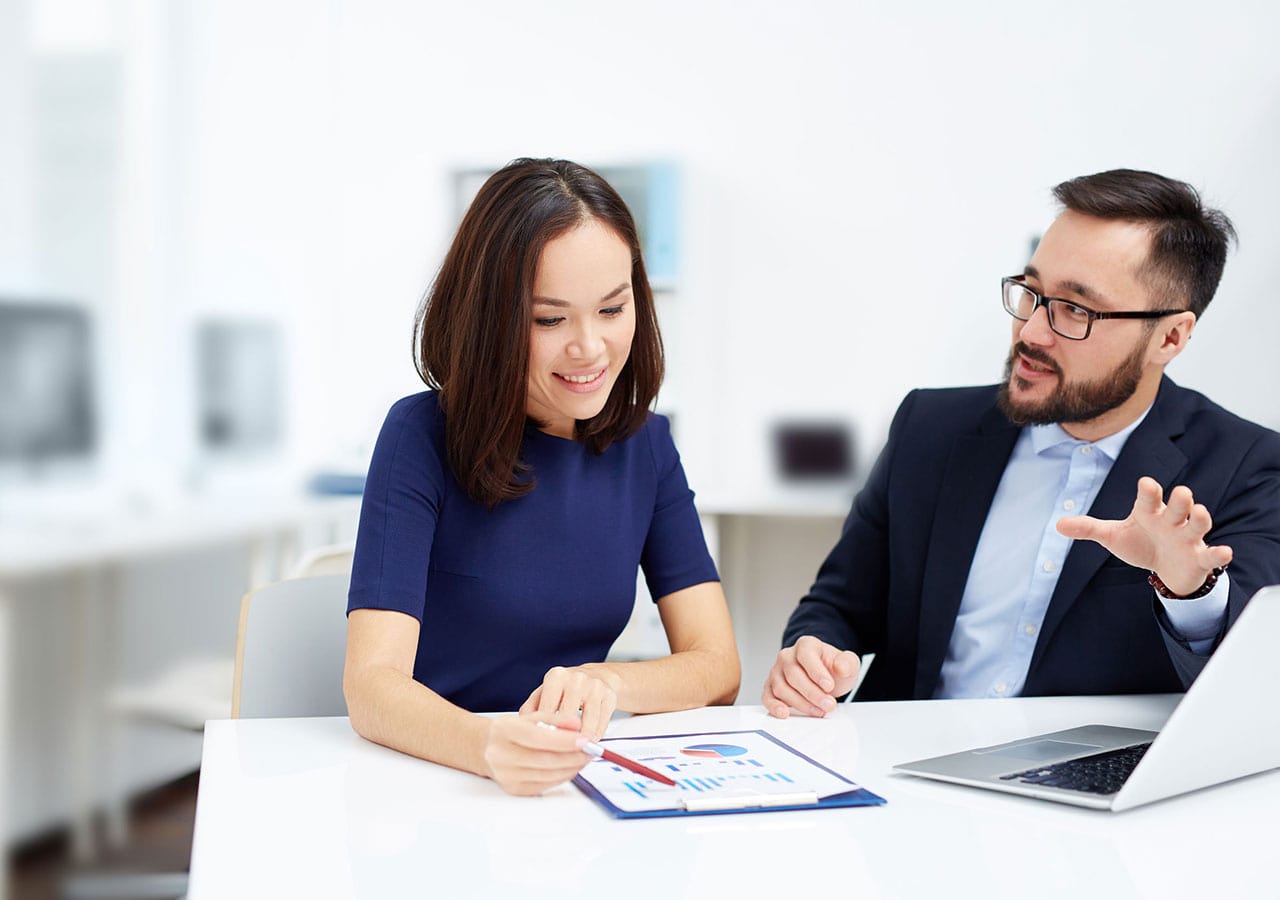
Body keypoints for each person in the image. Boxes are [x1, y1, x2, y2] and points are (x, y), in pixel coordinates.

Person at [763, 168, 1280, 717]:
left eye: (1076, 310)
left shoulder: (1244, 468)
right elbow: (839, 604)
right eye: (1032, 293)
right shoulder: (929, 428)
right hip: (903, 770)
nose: (1031, 332)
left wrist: (1187, 590)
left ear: (1170, 337)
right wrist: (811, 657)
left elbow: (1250, 689)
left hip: (1085, 786)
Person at [345, 158, 739, 794]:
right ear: (491, 321)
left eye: (612, 310)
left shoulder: (648, 446)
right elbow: (370, 687)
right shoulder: (419, 437)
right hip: (433, 777)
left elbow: (718, 667)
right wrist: (486, 745)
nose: (590, 348)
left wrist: (607, 682)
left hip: (564, 780)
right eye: (550, 319)